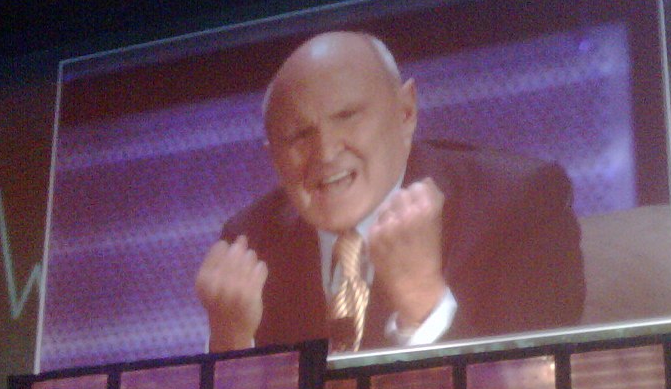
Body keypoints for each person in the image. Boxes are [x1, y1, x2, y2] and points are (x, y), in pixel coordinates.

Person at [194, 30, 585, 354]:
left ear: (405, 113)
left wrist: (423, 303)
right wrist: (232, 345)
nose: (326, 152)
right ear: (275, 159)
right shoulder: (251, 243)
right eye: (298, 136)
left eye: (347, 116)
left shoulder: (520, 204)